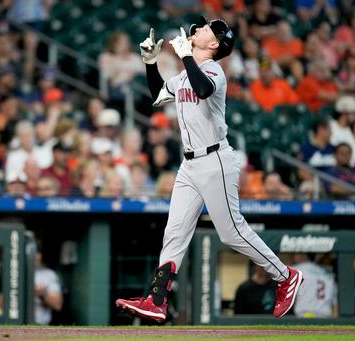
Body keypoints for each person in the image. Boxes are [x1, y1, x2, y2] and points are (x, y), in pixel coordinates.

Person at [115, 17, 304, 323]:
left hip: (215, 159)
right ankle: (157, 299)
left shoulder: (214, 70)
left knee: (231, 232)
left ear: (214, 44)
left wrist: (186, 56)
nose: (197, 29)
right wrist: (150, 63)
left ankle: (285, 276)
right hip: (189, 164)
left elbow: (202, 89)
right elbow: (159, 94)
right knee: (174, 233)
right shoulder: (185, 71)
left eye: (205, 29)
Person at [291, 253, 338, 318]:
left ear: (303, 255)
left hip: (305, 315)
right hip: (325, 317)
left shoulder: (298, 268)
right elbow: (335, 307)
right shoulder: (328, 275)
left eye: (295, 254)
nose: (293, 258)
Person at [34, 243, 63, 325]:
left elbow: (58, 305)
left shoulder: (48, 274)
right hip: (17, 323)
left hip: (41, 325)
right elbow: (0, 301)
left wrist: (42, 294)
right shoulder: (15, 272)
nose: (36, 257)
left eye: (38, 253)